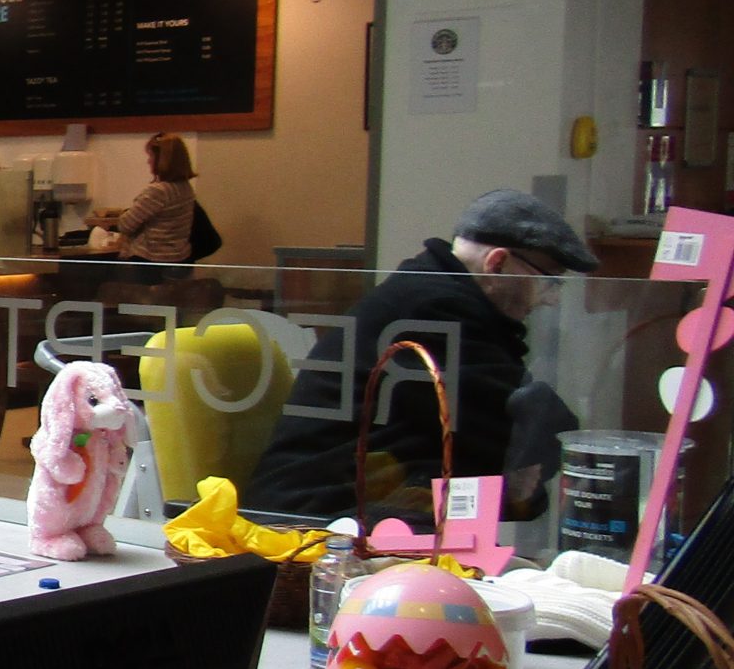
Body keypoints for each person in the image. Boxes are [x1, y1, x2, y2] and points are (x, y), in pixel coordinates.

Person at [243, 189, 596, 520]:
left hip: (338, 507)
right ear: (498, 263)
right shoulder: (436, 310)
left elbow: (504, 457)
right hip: (313, 519)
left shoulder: (431, 296)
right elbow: (510, 439)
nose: (551, 299)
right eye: (549, 281)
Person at [103, 133, 196, 266]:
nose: (148, 161)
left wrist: (125, 213)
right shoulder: (186, 187)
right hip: (179, 257)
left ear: (162, 159)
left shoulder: (158, 191)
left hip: (152, 260)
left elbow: (125, 225)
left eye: (151, 156)